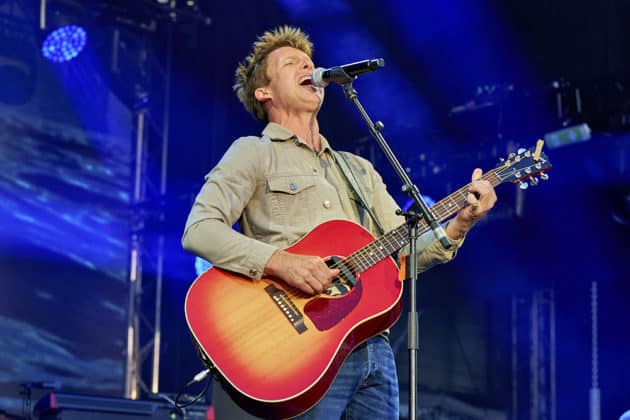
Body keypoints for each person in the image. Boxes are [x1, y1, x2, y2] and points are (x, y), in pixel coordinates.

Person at [182, 25, 497, 420]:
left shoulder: (358, 169)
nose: (308, 66)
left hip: (372, 346)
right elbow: (199, 230)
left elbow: (404, 252)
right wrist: (283, 263)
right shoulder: (253, 153)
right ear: (265, 92)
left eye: (309, 62)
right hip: (301, 349)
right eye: (291, 63)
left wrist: (462, 222)